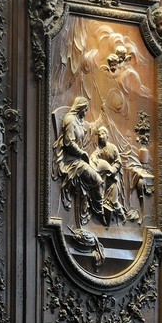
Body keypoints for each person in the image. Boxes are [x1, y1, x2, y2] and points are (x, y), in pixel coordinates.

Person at [53, 95, 104, 229]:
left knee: (101, 171)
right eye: (85, 109)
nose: (86, 112)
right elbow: (69, 142)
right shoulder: (70, 120)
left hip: (79, 160)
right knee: (98, 180)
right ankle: (99, 213)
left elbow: (91, 127)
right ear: (80, 108)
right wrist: (82, 153)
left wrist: (102, 114)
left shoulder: (79, 120)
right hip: (71, 162)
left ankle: (92, 210)